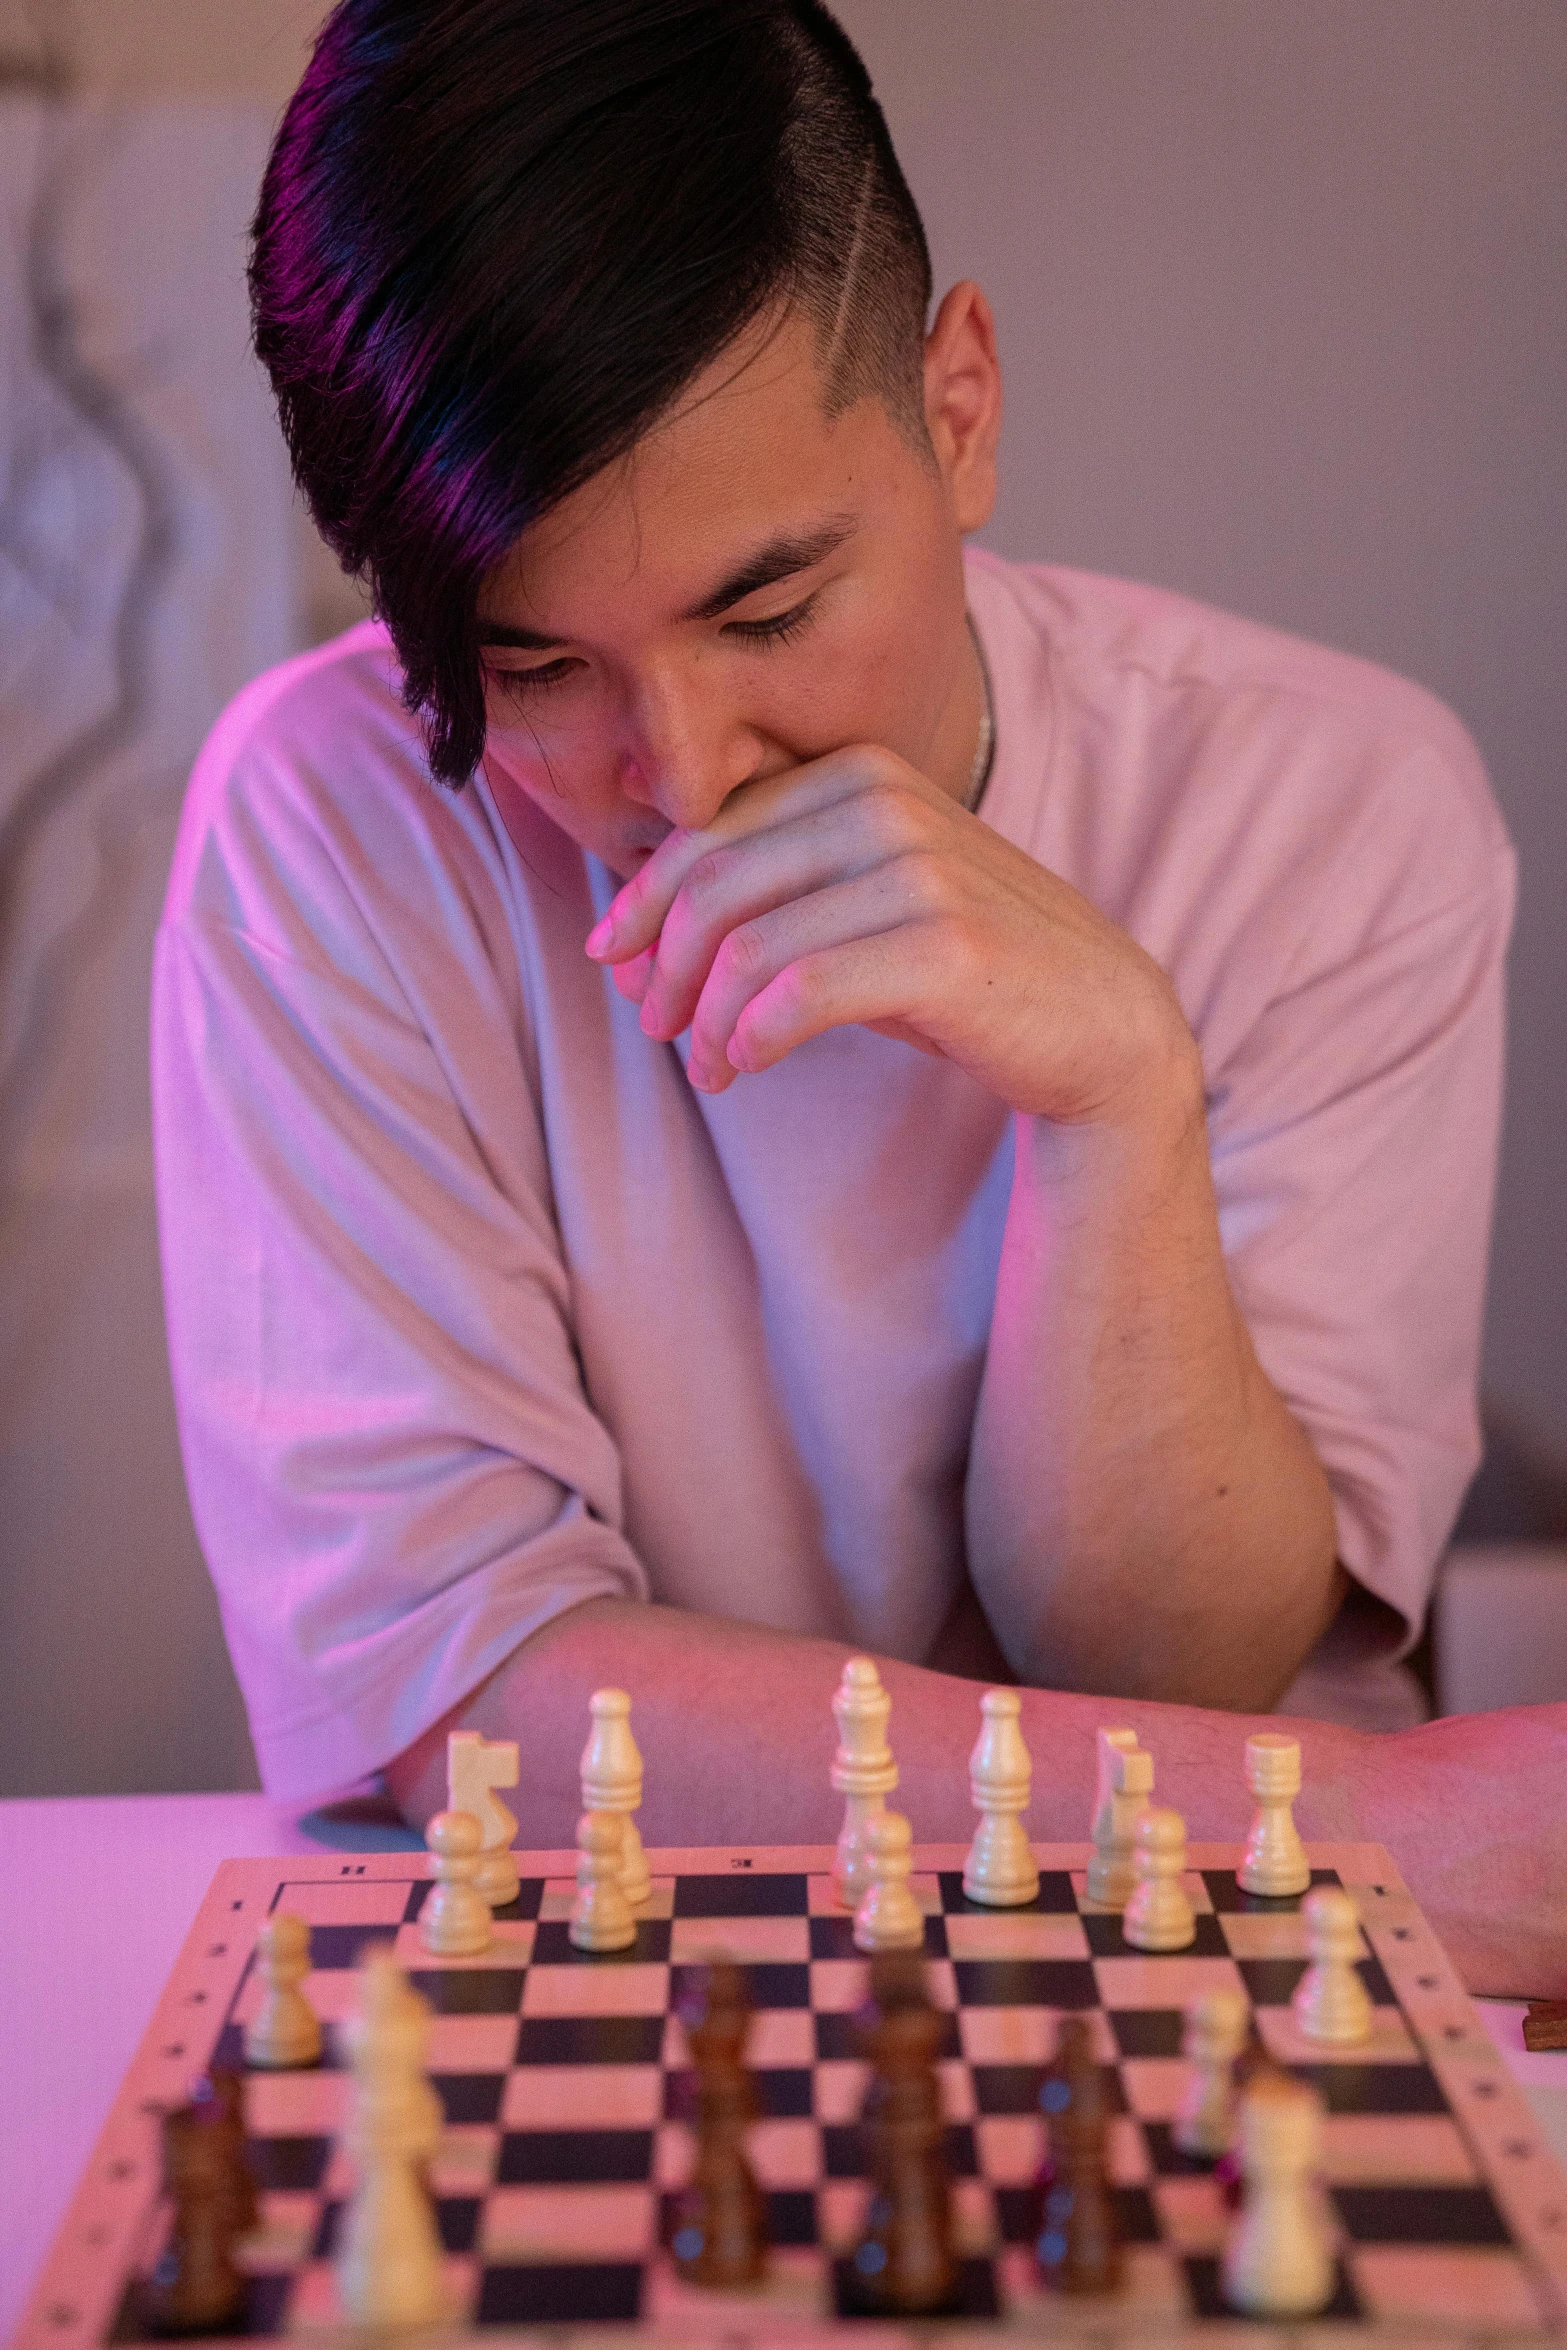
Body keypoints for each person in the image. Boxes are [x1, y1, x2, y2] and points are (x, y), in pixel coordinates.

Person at [151, 0, 1563, 1996]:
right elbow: (466, 1689)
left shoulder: (1333, 801)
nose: (690, 769)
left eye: (770, 606)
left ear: (959, 402)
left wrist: (1115, 1098)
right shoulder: (332, 825)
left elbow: (1173, 1665)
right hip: (607, 1992)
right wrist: (1357, 1830)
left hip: (1201, 1993)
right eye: (537, 664)